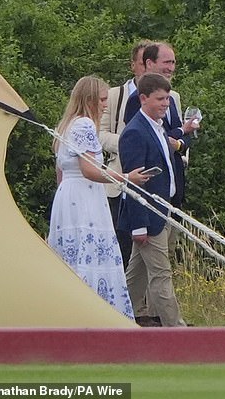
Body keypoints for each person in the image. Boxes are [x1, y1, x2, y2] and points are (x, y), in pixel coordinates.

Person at [47, 76, 149, 320]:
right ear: (90, 100)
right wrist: (125, 178)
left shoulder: (67, 124)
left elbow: (60, 171)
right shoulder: (84, 125)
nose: (105, 105)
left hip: (67, 196)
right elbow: (90, 170)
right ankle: (94, 315)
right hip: (84, 195)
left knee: (72, 254)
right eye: (102, 100)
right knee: (90, 252)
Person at [118, 73, 189, 327]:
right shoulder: (134, 132)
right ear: (143, 98)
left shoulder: (159, 128)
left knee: (135, 277)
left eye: (168, 99)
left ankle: (113, 317)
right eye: (160, 99)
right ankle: (176, 330)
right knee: (161, 274)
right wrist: (139, 225)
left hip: (163, 211)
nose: (165, 104)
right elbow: (135, 184)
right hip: (148, 216)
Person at [100, 40, 150, 271]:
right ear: (133, 66)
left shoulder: (171, 97)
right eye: (143, 64)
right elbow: (99, 134)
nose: (147, 70)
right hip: (118, 180)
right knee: (120, 246)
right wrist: (131, 144)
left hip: (153, 184)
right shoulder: (113, 95)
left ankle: (145, 305)